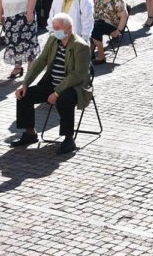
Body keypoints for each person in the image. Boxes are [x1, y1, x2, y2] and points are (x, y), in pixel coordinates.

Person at [9, 13, 93, 155]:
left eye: (58, 28)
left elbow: (77, 75)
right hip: (52, 82)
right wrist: (25, 83)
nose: (55, 31)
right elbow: (41, 61)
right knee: (25, 94)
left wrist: (57, 92)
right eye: (54, 28)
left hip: (74, 86)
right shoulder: (53, 39)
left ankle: (68, 139)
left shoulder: (81, 46)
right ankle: (30, 133)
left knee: (64, 99)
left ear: (69, 28)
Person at [89, 0, 129, 64]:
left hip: (114, 24)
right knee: (90, 26)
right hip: (100, 23)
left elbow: (124, 16)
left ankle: (101, 55)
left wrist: (118, 31)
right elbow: (95, 15)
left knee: (95, 28)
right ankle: (91, 51)